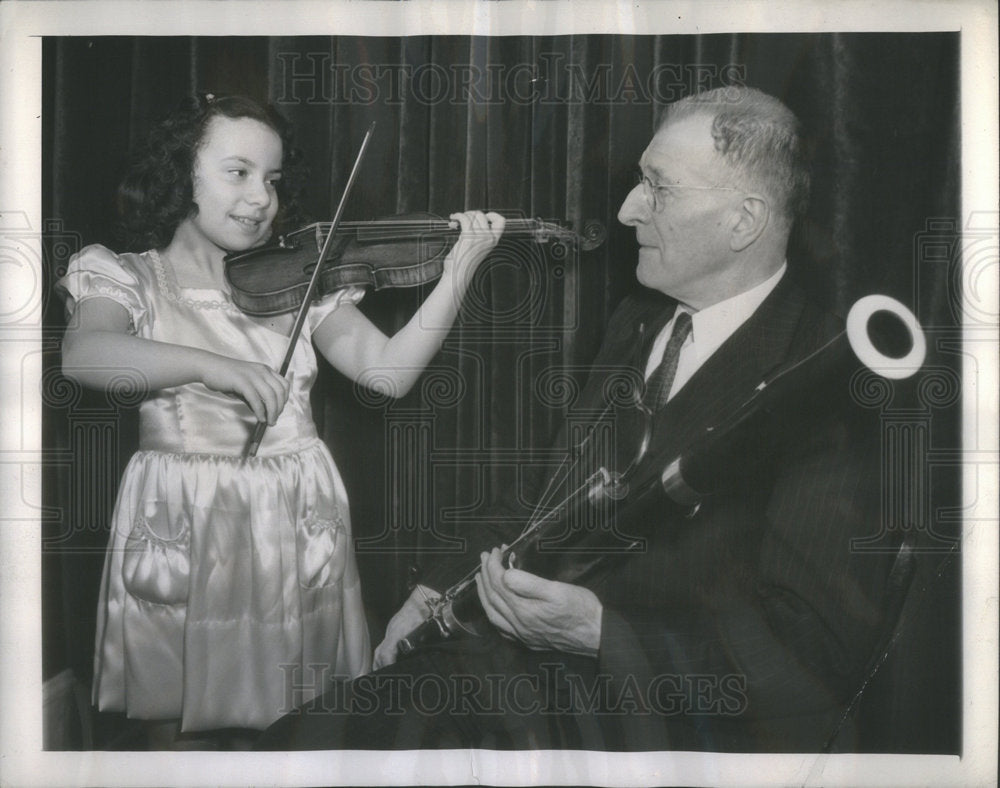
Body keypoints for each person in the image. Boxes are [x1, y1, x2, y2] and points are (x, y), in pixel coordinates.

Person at [257, 86, 900, 752]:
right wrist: (430, 590)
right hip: (518, 675)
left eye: (658, 188)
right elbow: (544, 494)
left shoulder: (831, 384)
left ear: (744, 221)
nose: (626, 212)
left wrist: (599, 630)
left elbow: (811, 656)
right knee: (295, 745)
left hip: (659, 723)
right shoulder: (640, 322)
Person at [56, 94, 505, 747]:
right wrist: (213, 365)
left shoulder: (299, 279)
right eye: (236, 172)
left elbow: (387, 372)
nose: (261, 197)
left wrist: (457, 275)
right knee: (173, 721)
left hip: (298, 510)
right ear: (182, 173)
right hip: (185, 516)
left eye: (270, 179)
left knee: (302, 717)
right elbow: (83, 356)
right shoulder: (127, 277)